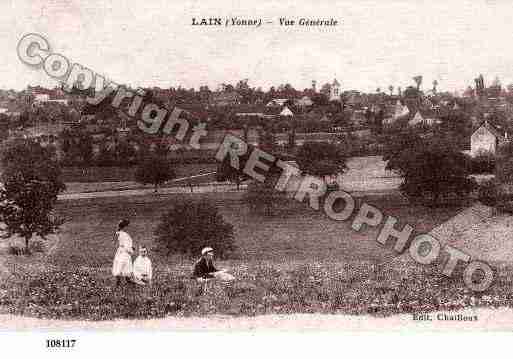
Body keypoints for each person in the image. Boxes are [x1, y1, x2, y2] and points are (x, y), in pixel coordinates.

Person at [112, 219, 134, 286]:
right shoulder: (124, 234)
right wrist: (131, 251)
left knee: (120, 267)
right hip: (125, 252)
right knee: (125, 267)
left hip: (120, 251)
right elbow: (127, 245)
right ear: (125, 227)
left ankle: (119, 283)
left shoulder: (119, 233)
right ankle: (128, 283)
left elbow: (120, 242)